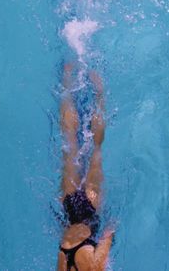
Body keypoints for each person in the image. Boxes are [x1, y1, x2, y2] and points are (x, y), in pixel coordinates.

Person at [57, 63, 115, 271]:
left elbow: (108, 233)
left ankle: (100, 92)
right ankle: (66, 79)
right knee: (69, 141)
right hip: (69, 212)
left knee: (96, 148)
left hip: (89, 211)